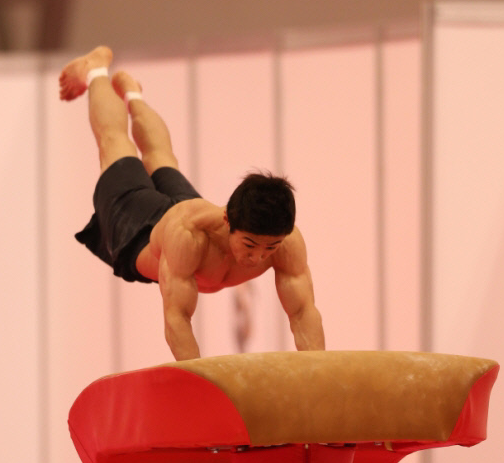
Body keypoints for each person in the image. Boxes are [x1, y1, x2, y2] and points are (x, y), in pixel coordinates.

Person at [59, 46, 325, 361]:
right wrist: (198, 381)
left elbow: (302, 312)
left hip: (185, 210)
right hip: (139, 229)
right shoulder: (188, 237)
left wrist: (317, 373)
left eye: (270, 248)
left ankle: (133, 95)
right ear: (228, 220)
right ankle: (95, 70)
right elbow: (177, 318)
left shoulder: (288, 244)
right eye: (250, 245)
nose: (257, 258)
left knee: (161, 157)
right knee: (115, 144)